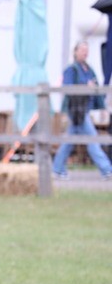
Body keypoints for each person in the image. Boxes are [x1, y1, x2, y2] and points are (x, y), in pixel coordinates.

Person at [52, 41, 112, 180]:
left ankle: (57, 168)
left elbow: (96, 90)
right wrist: (85, 86)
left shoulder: (89, 70)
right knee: (92, 139)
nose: (85, 53)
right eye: (82, 50)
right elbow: (67, 87)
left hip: (85, 110)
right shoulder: (72, 69)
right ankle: (106, 169)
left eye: (87, 50)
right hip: (75, 110)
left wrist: (102, 107)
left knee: (69, 141)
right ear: (75, 52)